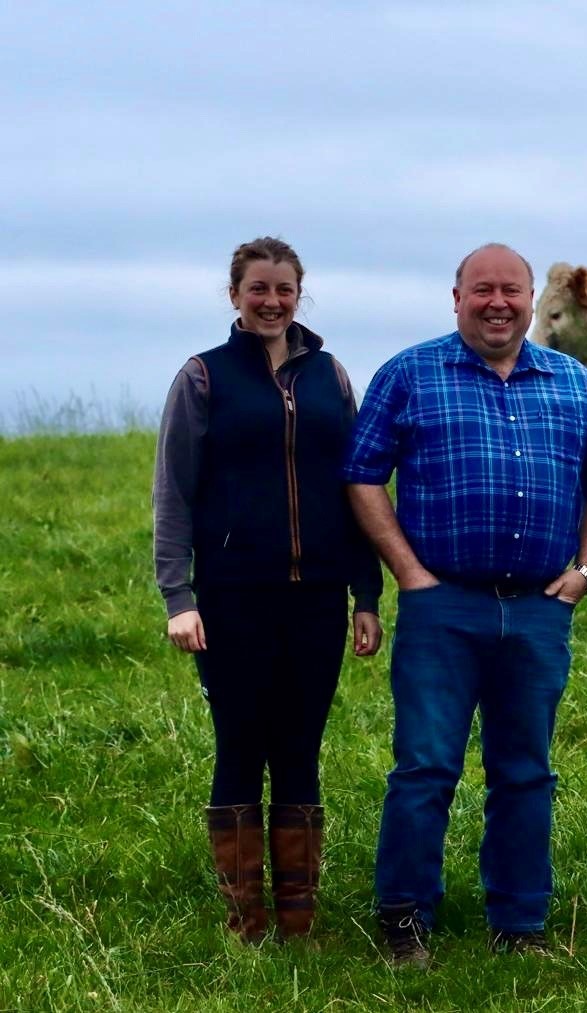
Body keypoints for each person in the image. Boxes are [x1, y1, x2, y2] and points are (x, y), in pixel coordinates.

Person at [344, 242, 587, 967]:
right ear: (457, 297)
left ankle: (520, 922)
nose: (497, 303)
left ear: (532, 299)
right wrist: (407, 571)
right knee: (426, 766)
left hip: (536, 608)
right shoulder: (410, 373)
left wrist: (584, 572)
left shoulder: (573, 383)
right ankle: (404, 919)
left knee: (526, 770)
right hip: (444, 605)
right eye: (482, 290)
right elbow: (363, 475)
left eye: (511, 290)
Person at [153, 236, 384, 943]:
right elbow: (174, 492)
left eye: (284, 289)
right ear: (235, 296)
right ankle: (245, 918)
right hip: (230, 598)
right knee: (239, 745)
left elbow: (356, 489)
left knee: (299, 749)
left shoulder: (331, 377)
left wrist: (366, 594)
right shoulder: (203, 377)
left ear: (299, 294)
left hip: (316, 597)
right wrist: (178, 596)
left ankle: (298, 917)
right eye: (258, 289)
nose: (272, 301)